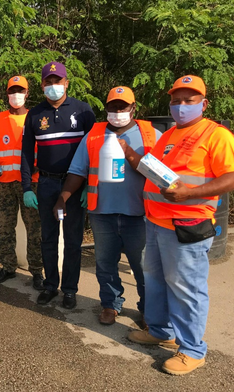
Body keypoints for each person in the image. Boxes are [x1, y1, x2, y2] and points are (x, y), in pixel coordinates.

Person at [127, 75, 234, 375]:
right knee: (157, 280)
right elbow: (156, 170)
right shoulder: (169, 134)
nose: (181, 106)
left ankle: (192, 350)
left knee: (187, 287)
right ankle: (161, 331)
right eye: (176, 100)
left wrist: (191, 193)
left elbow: (230, 177)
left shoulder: (217, 135)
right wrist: (134, 158)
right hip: (157, 222)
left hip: (187, 224)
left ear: (204, 103)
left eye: (189, 100)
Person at [53, 86, 161, 324]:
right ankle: (110, 305)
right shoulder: (94, 134)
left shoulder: (150, 134)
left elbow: (161, 174)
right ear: (106, 108)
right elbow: (77, 171)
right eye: (113, 107)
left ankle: (148, 309)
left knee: (144, 267)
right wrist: (64, 197)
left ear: (133, 108)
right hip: (102, 213)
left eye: (123, 107)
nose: (117, 111)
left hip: (140, 214)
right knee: (105, 264)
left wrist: (129, 152)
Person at [21, 61, 96, 309]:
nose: (53, 86)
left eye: (58, 81)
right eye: (48, 82)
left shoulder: (83, 111)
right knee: (48, 238)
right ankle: (51, 285)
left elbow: (95, 151)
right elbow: (25, 154)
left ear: (66, 83)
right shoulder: (34, 114)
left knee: (73, 239)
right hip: (47, 183)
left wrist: (89, 185)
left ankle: (70, 290)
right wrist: (26, 188)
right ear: (42, 85)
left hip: (75, 185)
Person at [0, 76, 43, 289]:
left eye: (20, 91)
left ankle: (37, 271)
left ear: (27, 94)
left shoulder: (36, 118)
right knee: (5, 227)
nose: (16, 95)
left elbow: (43, 150)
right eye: (12, 91)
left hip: (31, 183)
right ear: (7, 94)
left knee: (34, 228)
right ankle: (8, 267)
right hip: (5, 183)